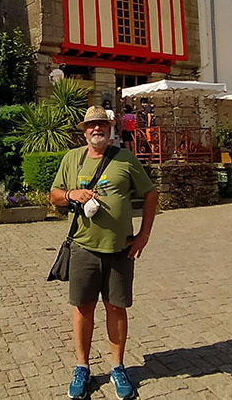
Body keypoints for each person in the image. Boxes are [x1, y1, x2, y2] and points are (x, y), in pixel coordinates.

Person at [50, 106, 158, 400]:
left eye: (101, 124)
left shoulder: (126, 159)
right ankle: (82, 367)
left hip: (120, 249)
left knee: (116, 308)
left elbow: (151, 193)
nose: (96, 129)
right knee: (82, 308)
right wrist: (71, 194)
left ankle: (118, 367)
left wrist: (144, 235)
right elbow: (54, 195)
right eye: (91, 125)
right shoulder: (72, 159)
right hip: (83, 248)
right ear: (84, 131)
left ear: (110, 129)